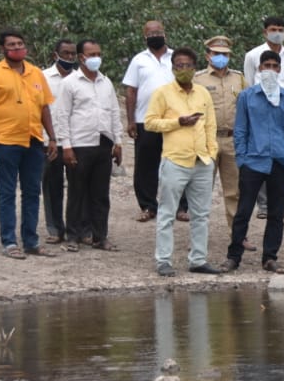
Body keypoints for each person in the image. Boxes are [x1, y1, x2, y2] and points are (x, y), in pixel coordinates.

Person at [0, 30, 59, 259]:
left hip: (33, 140)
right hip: (6, 140)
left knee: (32, 191)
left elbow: (44, 107)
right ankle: (9, 242)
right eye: (12, 44)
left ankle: (31, 241)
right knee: (7, 192)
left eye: (20, 43)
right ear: (3, 49)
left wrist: (51, 137)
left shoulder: (36, 73)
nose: (17, 47)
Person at [221, 50, 284, 274]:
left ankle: (270, 257)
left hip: (280, 162)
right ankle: (234, 256)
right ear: (259, 70)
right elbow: (240, 130)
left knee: (277, 212)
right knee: (244, 210)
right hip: (253, 162)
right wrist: (242, 160)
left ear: (279, 69)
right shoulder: (247, 97)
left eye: (274, 66)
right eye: (265, 65)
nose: (270, 69)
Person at [145, 47, 220, 276]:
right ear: (173, 68)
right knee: (167, 212)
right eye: (179, 65)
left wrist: (212, 152)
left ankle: (198, 259)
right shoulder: (163, 93)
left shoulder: (203, 93)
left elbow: (210, 124)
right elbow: (150, 122)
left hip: (202, 160)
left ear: (195, 68)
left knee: (201, 214)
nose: (184, 69)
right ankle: (163, 261)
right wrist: (177, 122)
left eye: (188, 65)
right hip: (175, 160)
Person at [53, 40, 122, 253]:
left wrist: (118, 141)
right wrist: (66, 146)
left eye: (98, 53)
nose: (96, 58)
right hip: (79, 144)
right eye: (91, 54)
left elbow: (114, 112)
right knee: (77, 191)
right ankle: (73, 236)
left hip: (103, 143)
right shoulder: (70, 83)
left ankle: (100, 236)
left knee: (101, 194)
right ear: (81, 57)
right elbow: (62, 115)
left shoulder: (105, 82)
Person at [123, 20, 185, 222]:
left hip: (175, 120)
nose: (154, 35)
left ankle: (180, 207)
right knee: (145, 165)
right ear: (144, 35)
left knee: (178, 163)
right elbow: (131, 91)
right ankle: (148, 206)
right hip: (145, 120)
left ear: (165, 33)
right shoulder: (138, 60)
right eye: (150, 33)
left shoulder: (176, 58)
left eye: (158, 32)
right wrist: (131, 120)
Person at [194, 35, 251, 249]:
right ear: (208, 55)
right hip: (206, 140)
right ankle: (198, 238)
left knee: (235, 191)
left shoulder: (239, 78)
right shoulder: (198, 79)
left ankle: (238, 235)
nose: (221, 58)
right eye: (217, 54)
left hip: (232, 140)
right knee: (201, 190)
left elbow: (245, 107)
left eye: (225, 54)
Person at [242, 15, 284, 220]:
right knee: (261, 152)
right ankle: (264, 205)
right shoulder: (252, 55)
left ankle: (282, 203)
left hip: (283, 108)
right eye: (273, 29)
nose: (278, 33)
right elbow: (249, 81)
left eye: (281, 29)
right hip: (259, 109)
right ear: (265, 32)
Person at [41, 39, 77, 244]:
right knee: (52, 185)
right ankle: (55, 229)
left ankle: (78, 228)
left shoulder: (80, 78)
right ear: (55, 54)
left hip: (75, 141)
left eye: (73, 54)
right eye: (65, 53)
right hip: (49, 141)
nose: (69, 57)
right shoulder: (42, 77)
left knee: (78, 186)